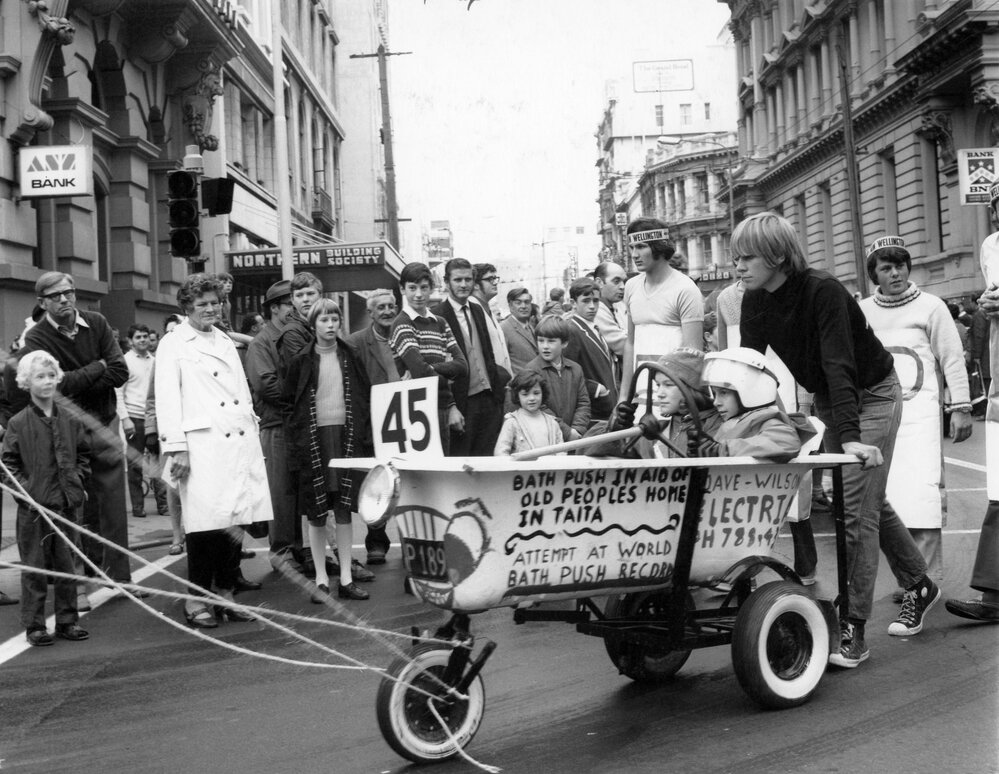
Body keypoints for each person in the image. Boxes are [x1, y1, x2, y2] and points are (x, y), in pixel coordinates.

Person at [735, 211, 940, 668]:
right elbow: (749, 366)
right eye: (736, 258)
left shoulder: (822, 290)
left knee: (855, 512)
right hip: (831, 396)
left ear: (776, 255)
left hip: (873, 393)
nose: (738, 266)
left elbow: (838, 363)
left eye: (747, 257)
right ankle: (919, 583)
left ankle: (853, 628)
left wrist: (848, 438)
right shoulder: (755, 299)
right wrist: (730, 419)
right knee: (866, 500)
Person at [0, 272, 135, 601]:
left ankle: (120, 578)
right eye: (55, 295)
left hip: (104, 422)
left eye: (69, 292)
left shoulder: (97, 323)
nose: (64, 299)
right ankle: (77, 586)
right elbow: (56, 385)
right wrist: (97, 367)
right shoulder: (37, 338)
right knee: (72, 506)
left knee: (113, 506)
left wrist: (81, 377)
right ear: (42, 302)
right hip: (65, 430)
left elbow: (120, 371)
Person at [155, 273, 272, 629]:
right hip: (201, 447)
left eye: (215, 302)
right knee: (204, 527)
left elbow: (242, 392)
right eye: (202, 303)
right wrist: (177, 448)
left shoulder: (224, 339)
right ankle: (196, 597)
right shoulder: (173, 343)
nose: (210, 309)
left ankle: (225, 593)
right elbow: (167, 399)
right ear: (187, 306)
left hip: (238, 443)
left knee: (235, 520)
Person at [858, 236, 972, 587]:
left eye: (900, 266)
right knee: (886, 497)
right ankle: (910, 580)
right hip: (877, 412)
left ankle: (927, 578)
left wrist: (961, 406)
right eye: (886, 268)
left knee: (922, 493)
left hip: (921, 413)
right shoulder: (862, 311)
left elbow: (952, 358)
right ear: (874, 274)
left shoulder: (932, 307)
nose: (895, 273)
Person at [283, 298, 373, 602]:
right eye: (324, 320)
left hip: (346, 437)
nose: (331, 325)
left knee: (344, 507)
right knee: (316, 511)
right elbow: (288, 404)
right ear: (313, 325)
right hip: (313, 440)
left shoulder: (351, 355)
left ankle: (346, 577)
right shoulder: (301, 360)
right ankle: (321, 579)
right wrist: (296, 444)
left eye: (334, 319)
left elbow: (364, 398)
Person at [1, 351, 91, 645]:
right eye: (40, 376)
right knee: (35, 567)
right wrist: (28, 493)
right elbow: (8, 465)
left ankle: (67, 619)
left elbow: (84, 454)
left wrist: (78, 481)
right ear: (27, 382)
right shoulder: (18, 423)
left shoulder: (71, 419)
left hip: (66, 504)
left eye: (52, 375)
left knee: (67, 565)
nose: (47, 381)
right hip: (33, 509)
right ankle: (35, 624)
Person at [946, 182, 999, 623]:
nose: (998, 213)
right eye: (995, 205)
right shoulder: (991, 246)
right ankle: (995, 598)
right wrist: (986, 304)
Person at [245, 280, 304, 573]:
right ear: (274, 309)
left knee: (298, 491)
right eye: (289, 304)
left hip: (297, 423)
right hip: (276, 424)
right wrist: (301, 393)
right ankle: (281, 551)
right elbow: (266, 385)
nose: (294, 309)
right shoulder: (261, 342)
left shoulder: (297, 335)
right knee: (280, 492)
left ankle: (299, 549)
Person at [432, 258, 510, 456]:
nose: (463, 284)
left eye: (468, 279)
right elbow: (436, 368)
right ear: (446, 282)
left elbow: (488, 356)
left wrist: (497, 399)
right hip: (461, 405)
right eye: (458, 280)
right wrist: (450, 407)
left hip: (489, 402)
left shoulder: (477, 310)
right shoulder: (437, 316)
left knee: (488, 461)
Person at [619, 218, 704, 399]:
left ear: (659, 247)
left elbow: (692, 356)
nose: (634, 254)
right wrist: (623, 398)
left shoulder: (686, 289)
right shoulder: (631, 286)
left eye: (641, 247)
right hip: (641, 395)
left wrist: (680, 403)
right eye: (632, 247)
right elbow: (630, 344)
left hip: (675, 397)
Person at [389, 263, 468, 456]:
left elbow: (462, 366)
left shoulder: (440, 323)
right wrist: (443, 372)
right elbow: (420, 373)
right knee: (422, 467)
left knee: (442, 465)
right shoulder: (402, 323)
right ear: (402, 289)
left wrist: (431, 368)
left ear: (431, 289)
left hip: (441, 407)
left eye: (424, 288)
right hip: (415, 410)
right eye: (412, 288)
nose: (418, 294)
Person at [344, 289, 399, 565]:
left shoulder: (406, 336)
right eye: (381, 308)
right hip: (375, 423)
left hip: (410, 422)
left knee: (413, 481)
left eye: (391, 306)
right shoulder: (354, 343)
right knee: (378, 482)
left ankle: (414, 540)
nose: (387, 311)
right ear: (370, 313)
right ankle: (376, 541)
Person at [699, 347, 814, 462]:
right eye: (715, 393)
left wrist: (720, 450)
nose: (716, 402)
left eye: (723, 393)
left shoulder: (768, 421)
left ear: (749, 391)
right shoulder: (725, 420)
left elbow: (786, 442)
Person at [115, 324, 168, 521]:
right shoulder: (125, 361)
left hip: (153, 419)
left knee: (158, 463)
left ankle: (163, 505)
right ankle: (138, 507)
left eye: (145, 336)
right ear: (130, 341)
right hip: (134, 418)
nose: (143, 340)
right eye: (138, 337)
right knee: (135, 465)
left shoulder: (155, 361)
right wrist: (125, 419)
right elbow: (118, 392)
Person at [523, 316, 590, 441]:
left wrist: (577, 429)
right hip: (545, 438)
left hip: (574, 437)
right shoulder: (532, 370)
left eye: (551, 341)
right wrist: (567, 432)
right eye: (541, 341)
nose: (545, 346)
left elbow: (583, 403)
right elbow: (539, 407)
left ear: (564, 343)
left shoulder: (575, 369)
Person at [564, 277, 617, 421]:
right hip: (593, 411)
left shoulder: (592, 327)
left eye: (596, 301)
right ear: (573, 303)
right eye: (586, 301)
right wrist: (597, 389)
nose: (592, 306)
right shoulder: (572, 330)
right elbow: (567, 373)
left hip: (607, 407)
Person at [494, 369, 563, 455]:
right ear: (517, 396)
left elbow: (561, 451)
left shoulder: (552, 422)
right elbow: (501, 452)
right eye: (525, 394)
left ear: (543, 393)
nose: (532, 398)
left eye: (536, 393)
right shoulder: (512, 422)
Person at [278, 272, 323, 376]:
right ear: (292, 300)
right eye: (299, 295)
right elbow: (305, 371)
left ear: (320, 296)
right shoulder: (291, 332)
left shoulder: (320, 325)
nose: (305, 299)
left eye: (310, 294)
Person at [471, 263, 512, 376]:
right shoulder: (471, 311)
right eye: (490, 279)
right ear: (475, 285)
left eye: (495, 278)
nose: (495, 282)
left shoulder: (487, 308)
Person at [593, 260, 628, 374]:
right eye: (616, 281)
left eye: (624, 281)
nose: (622, 287)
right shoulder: (596, 310)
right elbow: (622, 345)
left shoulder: (618, 306)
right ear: (599, 282)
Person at [501, 287, 538, 376]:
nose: (523, 306)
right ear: (510, 306)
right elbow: (502, 363)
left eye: (527, 302)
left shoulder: (531, 326)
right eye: (518, 303)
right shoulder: (504, 328)